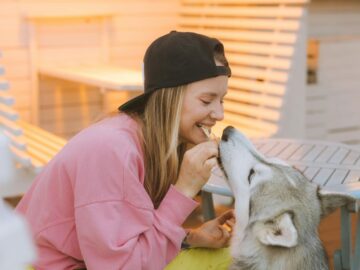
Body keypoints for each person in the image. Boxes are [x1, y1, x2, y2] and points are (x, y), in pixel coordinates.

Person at [16, 30, 235, 270]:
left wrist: (190, 237)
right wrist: (184, 190)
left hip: (88, 260)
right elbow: (123, 265)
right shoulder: (112, 150)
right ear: (169, 98)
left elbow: (127, 236)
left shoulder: (146, 140)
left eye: (221, 100)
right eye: (206, 101)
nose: (219, 114)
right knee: (239, 260)